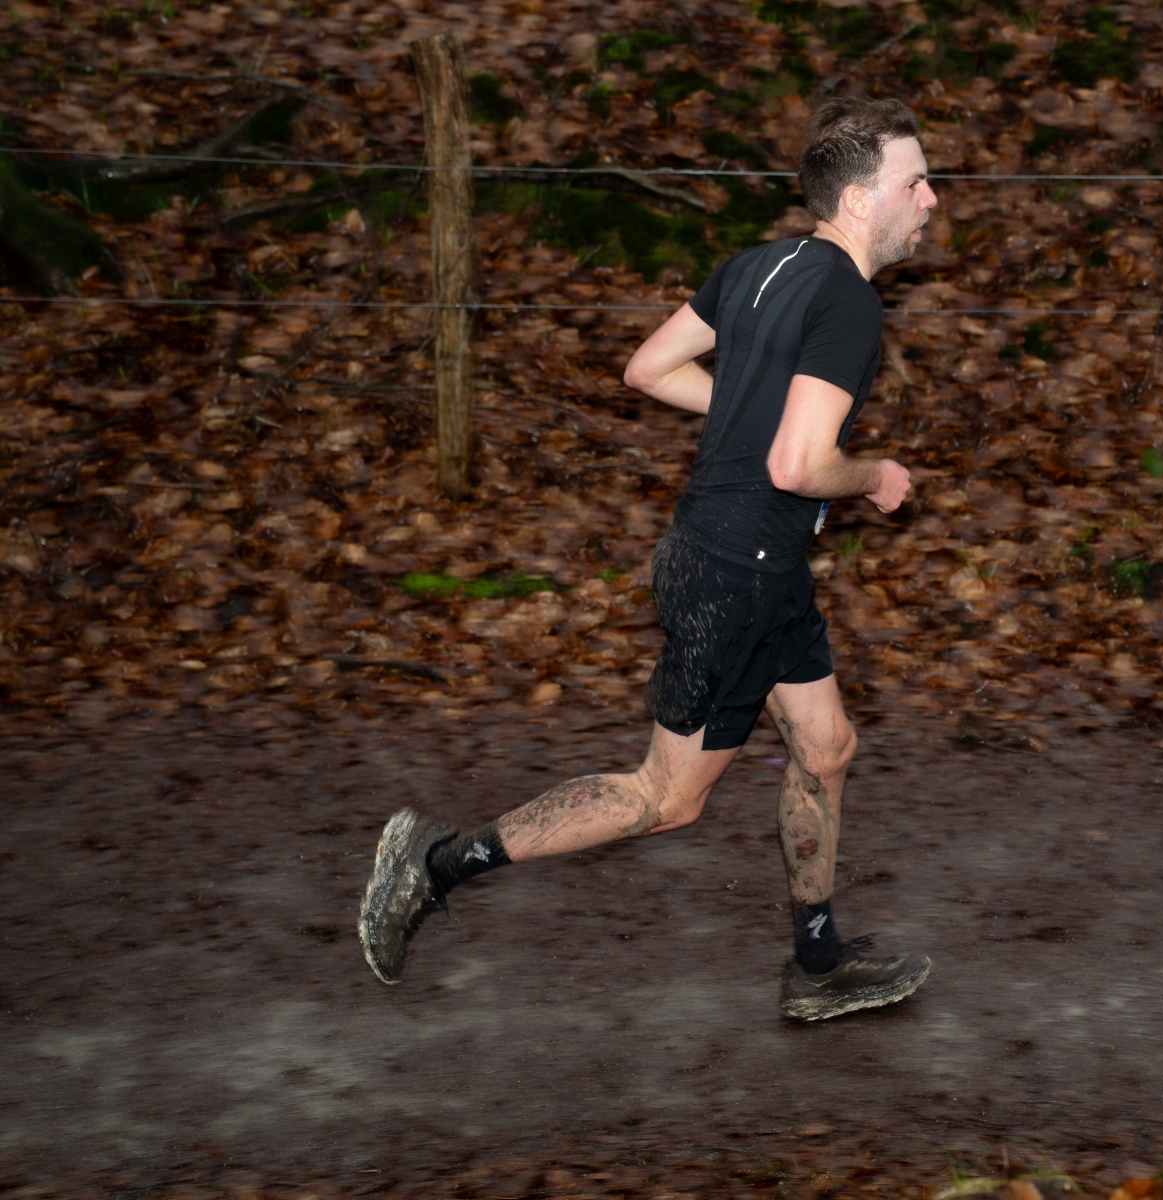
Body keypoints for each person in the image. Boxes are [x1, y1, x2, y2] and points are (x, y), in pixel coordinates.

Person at [357, 97, 939, 1022]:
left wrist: (754, 414)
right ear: (862, 200)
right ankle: (431, 866)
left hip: (754, 565)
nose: (931, 199)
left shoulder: (755, 266)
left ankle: (818, 965)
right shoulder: (848, 302)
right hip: (734, 576)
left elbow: (648, 369)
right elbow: (798, 467)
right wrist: (873, 475)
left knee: (826, 748)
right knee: (665, 799)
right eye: (916, 182)